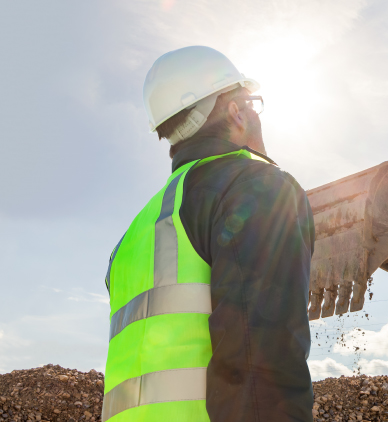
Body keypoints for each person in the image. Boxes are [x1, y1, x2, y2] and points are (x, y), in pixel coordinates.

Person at [101, 46, 314, 421]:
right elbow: (260, 367)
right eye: (253, 103)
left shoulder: (134, 235)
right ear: (237, 111)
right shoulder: (255, 188)